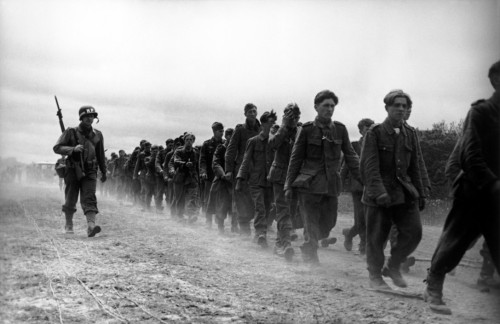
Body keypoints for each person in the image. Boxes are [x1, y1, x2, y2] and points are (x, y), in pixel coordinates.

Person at [424, 61, 500, 314]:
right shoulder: (480, 113)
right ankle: (433, 286)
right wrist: (492, 183)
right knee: (455, 242)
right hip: (474, 192)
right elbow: (470, 154)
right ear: (495, 80)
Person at [285, 90, 361, 264]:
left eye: (332, 106)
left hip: (331, 185)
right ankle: (310, 252)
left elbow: (350, 156)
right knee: (310, 221)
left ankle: (310, 241)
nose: (329, 109)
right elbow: (295, 159)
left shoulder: (340, 130)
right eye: (326, 105)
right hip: (309, 185)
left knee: (329, 223)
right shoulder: (306, 130)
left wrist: (364, 179)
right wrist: (288, 185)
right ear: (316, 107)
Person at [361, 90, 425, 289]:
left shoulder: (410, 133)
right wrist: (379, 192)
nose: (401, 109)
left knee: (414, 232)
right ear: (387, 108)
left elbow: (416, 165)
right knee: (376, 238)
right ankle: (375, 277)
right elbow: (368, 166)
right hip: (378, 195)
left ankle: (394, 265)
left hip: (404, 193)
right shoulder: (375, 132)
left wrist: (421, 192)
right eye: (396, 105)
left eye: (404, 106)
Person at [53, 106, 106, 237]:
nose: (90, 118)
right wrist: (72, 149)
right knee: (71, 197)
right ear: (81, 118)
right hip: (72, 169)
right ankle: (69, 224)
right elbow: (57, 147)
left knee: (90, 197)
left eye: (92, 116)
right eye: (87, 116)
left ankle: (91, 226)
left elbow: (100, 155)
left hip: (90, 171)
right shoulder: (71, 132)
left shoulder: (98, 134)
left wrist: (104, 171)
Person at [236, 111, 277, 248]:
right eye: (270, 122)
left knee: (266, 206)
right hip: (255, 181)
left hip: (269, 181)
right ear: (264, 123)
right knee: (260, 207)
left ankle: (258, 235)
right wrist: (240, 178)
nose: (273, 125)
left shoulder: (275, 142)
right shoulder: (253, 141)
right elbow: (246, 161)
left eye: (274, 123)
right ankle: (261, 233)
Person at [268, 103, 301, 260]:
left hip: (294, 178)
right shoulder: (276, 129)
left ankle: (278, 243)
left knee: (291, 211)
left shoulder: (301, 131)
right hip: (279, 176)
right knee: (283, 209)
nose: (293, 119)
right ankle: (286, 244)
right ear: (284, 116)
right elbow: (272, 144)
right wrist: (284, 127)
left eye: (296, 116)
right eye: (290, 116)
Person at [225, 103, 261, 236]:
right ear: (245, 114)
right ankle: (244, 229)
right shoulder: (240, 130)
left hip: (257, 171)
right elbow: (230, 151)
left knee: (256, 200)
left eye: (254, 111)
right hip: (241, 170)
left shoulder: (261, 129)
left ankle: (254, 226)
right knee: (241, 199)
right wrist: (228, 170)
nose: (252, 113)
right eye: (250, 111)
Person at [340, 118, 374, 255]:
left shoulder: (376, 146)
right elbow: (345, 167)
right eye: (367, 129)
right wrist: (340, 183)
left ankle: (349, 233)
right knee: (360, 218)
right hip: (358, 188)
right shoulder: (354, 146)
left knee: (369, 218)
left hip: (373, 187)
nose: (370, 132)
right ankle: (363, 245)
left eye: (372, 128)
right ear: (360, 131)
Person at [209, 128, 235, 234]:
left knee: (236, 204)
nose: (232, 138)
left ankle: (235, 226)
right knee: (222, 204)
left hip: (235, 179)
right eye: (230, 136)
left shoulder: (237, 148)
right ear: (227, 137)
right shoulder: (221, 148)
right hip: (223, 180)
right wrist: (223, 175)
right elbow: (215, 163)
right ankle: (220, 226)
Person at [199, 122, 225, 228]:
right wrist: (203, 172)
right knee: (209, 198)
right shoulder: (207, 144)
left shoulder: (225, 143)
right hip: (209, 175)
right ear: (214, 132)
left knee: (220, 199)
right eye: (220, 131)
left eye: (222, 131)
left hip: (220, 176)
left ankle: (219, 222)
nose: (222, 133)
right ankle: (208, 220)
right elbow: (202, 160)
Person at [172, 133, 199, 223]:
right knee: (179, 198)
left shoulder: (195, 152)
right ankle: (179, 216)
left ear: (193, 141)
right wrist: (184, 164)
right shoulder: (179, 151)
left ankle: (191, 215)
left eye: (191, 140)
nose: (189, 141)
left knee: (192, 197)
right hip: (180, 177)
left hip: (191, 178)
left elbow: (197, 165)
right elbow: (175, 161)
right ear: (184, 140)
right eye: (187, 139)